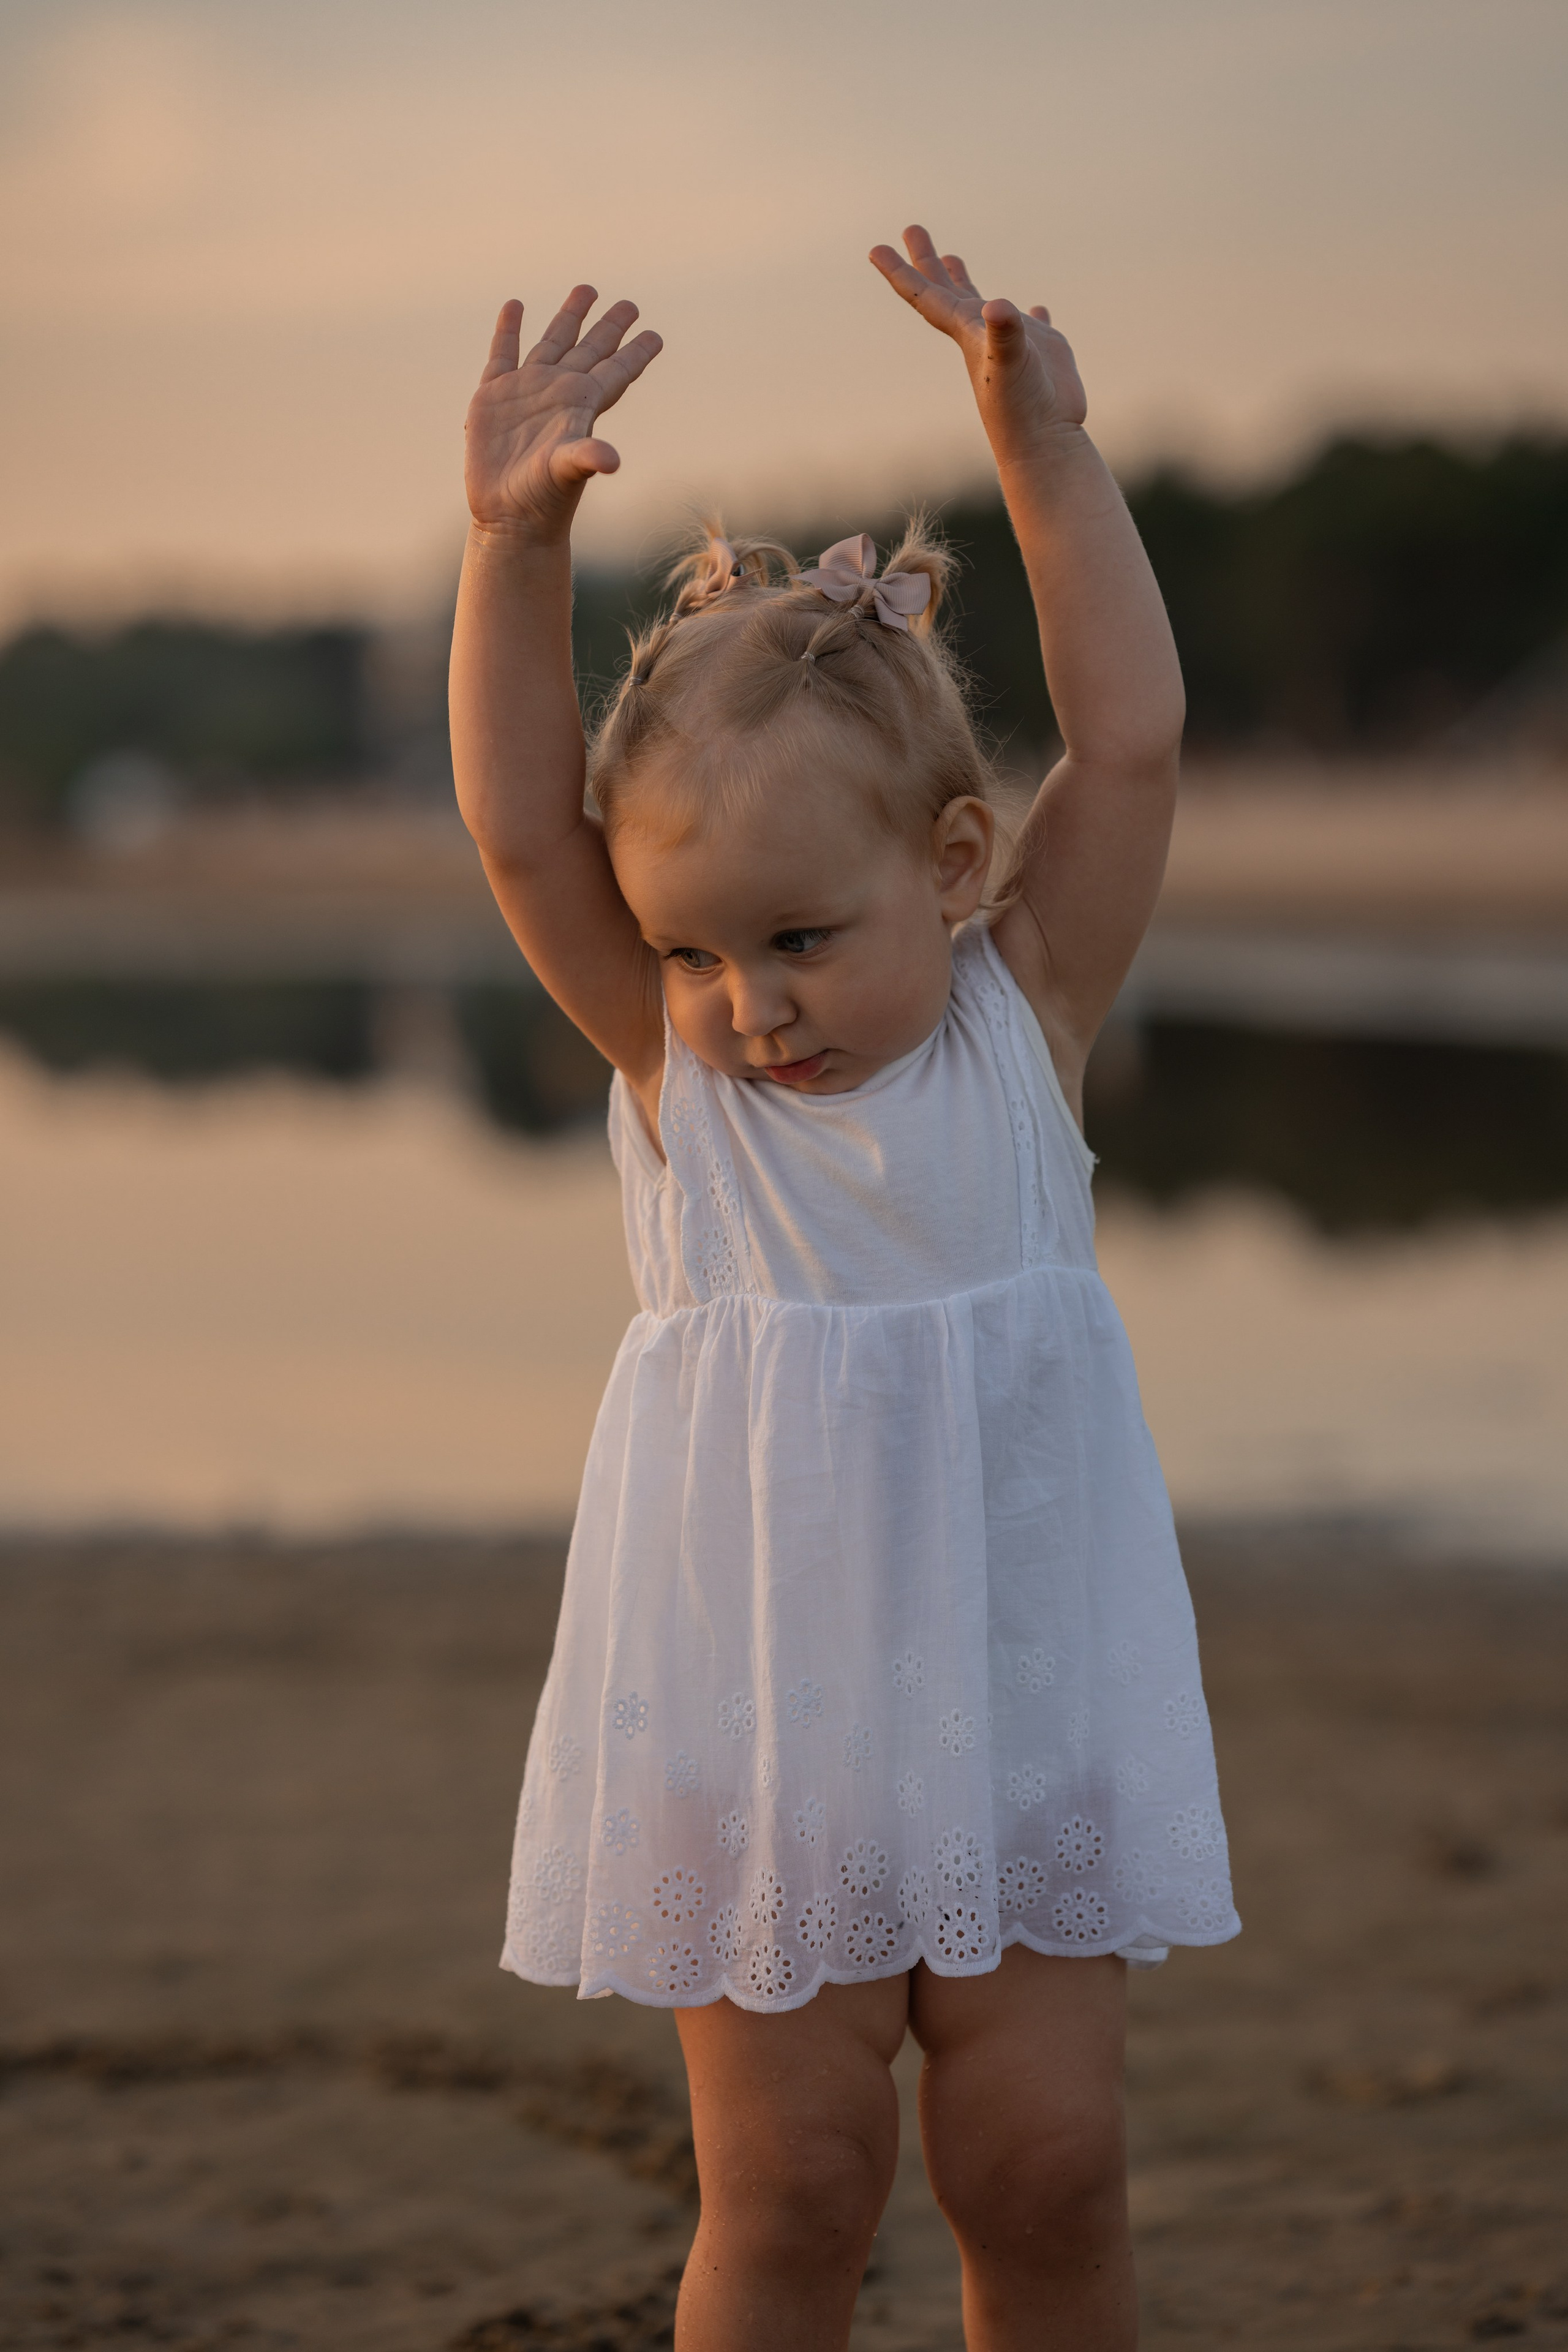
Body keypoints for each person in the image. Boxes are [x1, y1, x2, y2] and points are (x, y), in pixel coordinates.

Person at [450, 224, 1238, 2352]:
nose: (751, 1004)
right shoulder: (681, 1081)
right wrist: (513, 549)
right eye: (696, 952)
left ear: (955, 868)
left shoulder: (1023, 1019)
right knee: (795, 2184)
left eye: (800, 938)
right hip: (757, 1720)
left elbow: (1133, 742)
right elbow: (522, 833)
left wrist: (1045, 457)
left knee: (1046, 2166)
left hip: (1023, 1693)